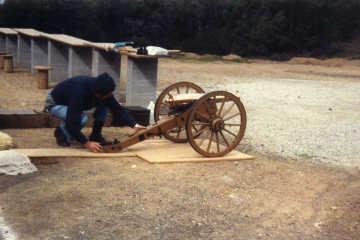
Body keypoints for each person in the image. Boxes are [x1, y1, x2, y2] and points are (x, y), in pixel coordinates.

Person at [45, 72, 146, 153]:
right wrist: (86, 143)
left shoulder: (102, 88)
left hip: (73, 101)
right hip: (56, 103)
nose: (111, 95)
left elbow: (117, 109)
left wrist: (134, 124)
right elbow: (73, 120)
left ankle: (96, 135)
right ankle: (61, 132)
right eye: (109, 94)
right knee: (81, 118)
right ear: (98, 94)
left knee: (105, 106)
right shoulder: (79, 93)